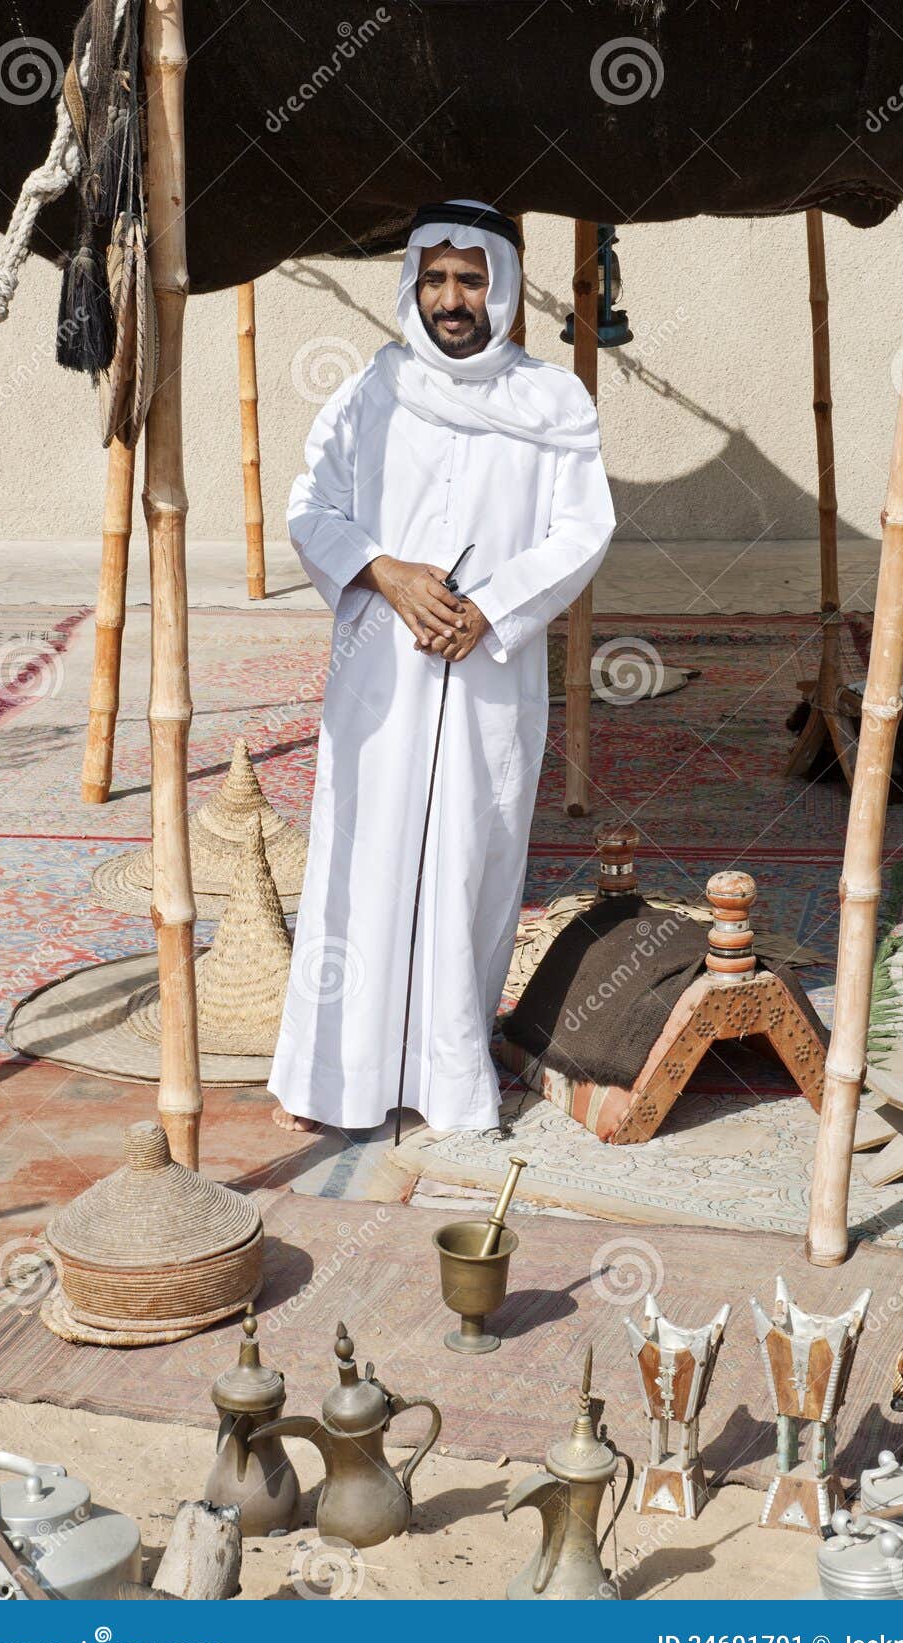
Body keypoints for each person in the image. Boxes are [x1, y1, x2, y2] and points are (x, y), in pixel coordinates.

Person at [269, 199, 615, 1138]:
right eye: (435, 278)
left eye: (470, 279)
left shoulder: (554, 400)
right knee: (363, 860)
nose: (451, 299)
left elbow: (583, 529)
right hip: (381, 667)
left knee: (471, 857)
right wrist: (385, 571)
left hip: (488, 673)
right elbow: (310, 507)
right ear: (412, 284)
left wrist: (490, 608)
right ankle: (337, 1078)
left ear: (500, 285)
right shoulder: (369, 393)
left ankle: (446, 1079)